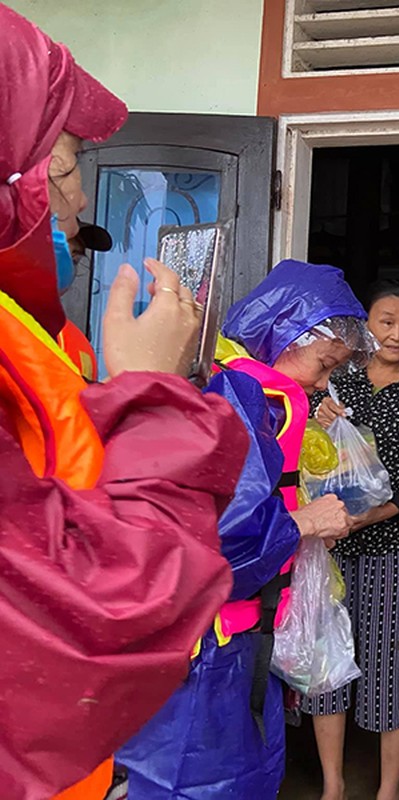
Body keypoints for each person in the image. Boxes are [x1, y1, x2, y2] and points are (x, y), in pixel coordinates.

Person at [0, 5, 250, 798]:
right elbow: (96, 613)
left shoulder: (36, 337)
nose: (77, 206)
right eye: (67, 166)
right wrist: (155, 393)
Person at [116, 259, 373, 797]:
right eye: (325, 364)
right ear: (286, 333)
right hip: (210, 647)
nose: (326, 383)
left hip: (242, 640)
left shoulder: (258, 399)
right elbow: (222, 540)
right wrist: (305, 521)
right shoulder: (239, 399)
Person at [309, 279, 399, 800]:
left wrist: (371, 515)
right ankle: (333, 784)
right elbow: (305, 453)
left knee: (391, 659)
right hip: (330, 546)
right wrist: (317, 418)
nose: (397, 333)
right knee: (329, 657)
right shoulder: (335, 382)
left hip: (394, 545)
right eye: (386, 322)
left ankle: (388, 788)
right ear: (366, 326)